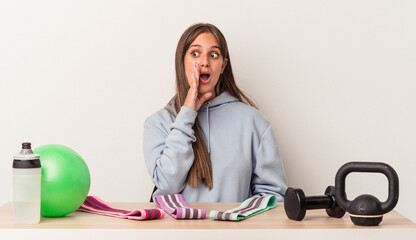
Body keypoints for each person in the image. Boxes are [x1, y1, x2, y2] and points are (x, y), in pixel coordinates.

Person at [143, 23, 287, 202]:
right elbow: (167, 184)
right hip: (177, 230)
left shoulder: (253, 122)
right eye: (195, 53)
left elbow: (273, 196)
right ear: (181, 61)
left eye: (213, 55)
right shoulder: (158, 123)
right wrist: (187, 114)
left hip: (236, 230)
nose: (204, 62)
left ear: (223, 66)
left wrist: (238, 220)